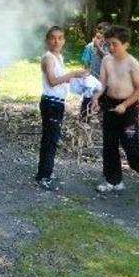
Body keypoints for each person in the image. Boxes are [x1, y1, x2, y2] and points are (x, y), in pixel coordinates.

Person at [92, 25, 139, 193]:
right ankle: (114, 180)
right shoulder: (106, 60)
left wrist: (125, 105)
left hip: (129, 108)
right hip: (110, 105)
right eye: (108, 44)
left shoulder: (133, 64)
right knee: (109, 144)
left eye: (115, 44)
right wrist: (96, 97)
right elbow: (102, 84)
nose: (111, 48)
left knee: (129, 144)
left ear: (126, 45)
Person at [35, 26, 87, 190]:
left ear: (64, 40)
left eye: (60, 38)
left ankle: (44, 172)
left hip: (57, 102)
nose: (56, 41)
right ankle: (44, 175)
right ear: (47, 41)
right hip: (50, 102)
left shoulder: (58, 57)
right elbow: (52, 80)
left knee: (51, 138)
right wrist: (73, 74)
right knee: (50, 140)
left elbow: (61, 80)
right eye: (53, 38)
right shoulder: (48, 58)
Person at [80, 22, 110, 119]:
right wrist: (86, 76)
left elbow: (108, 59)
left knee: (104, 101)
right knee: (87, 100)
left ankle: (102, 120)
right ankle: (84, 119)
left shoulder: (109, 47)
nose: (99, 35)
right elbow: (86, 63)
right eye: (98, 32)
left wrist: (98, 47)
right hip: (92, 77)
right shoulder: (89, 47)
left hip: (105, 80)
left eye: (103, 33)